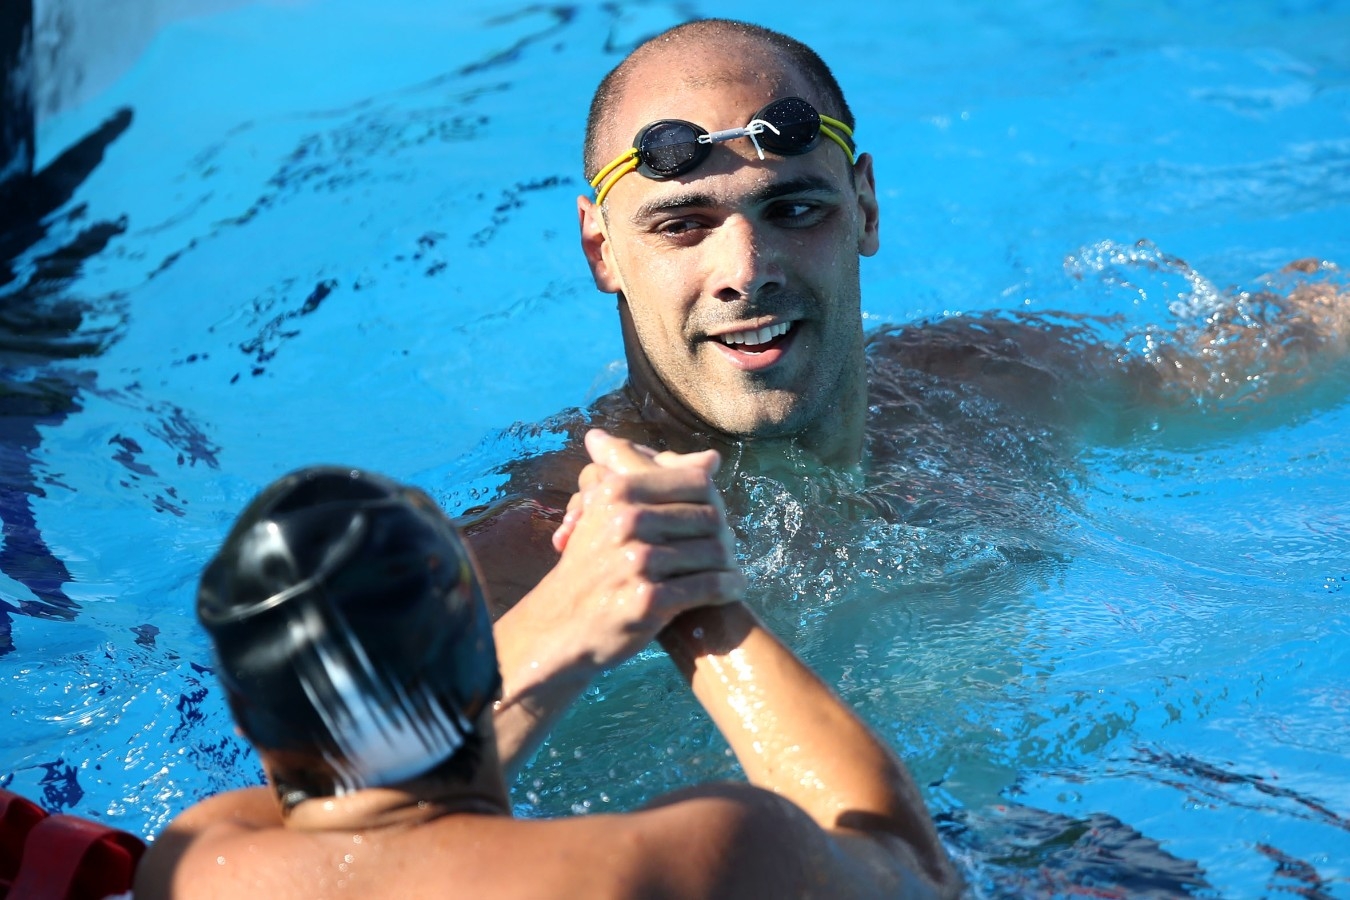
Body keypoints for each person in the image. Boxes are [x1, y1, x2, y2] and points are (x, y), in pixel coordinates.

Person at [467, 16, 1349, 651]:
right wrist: (558, 631)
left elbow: (1287, 347)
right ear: (601, 250)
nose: (747, 267)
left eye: (795, 208)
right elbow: (351, 822)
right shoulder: (531, 555)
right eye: (682, 226)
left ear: (867, 207)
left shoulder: (992, 384)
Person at [133, 452, 961, 899]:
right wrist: (690, 589)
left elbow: (372, 807)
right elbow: (915, 868)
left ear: (246, 719)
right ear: (487, 665)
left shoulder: (196, 861)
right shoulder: (691, 860)